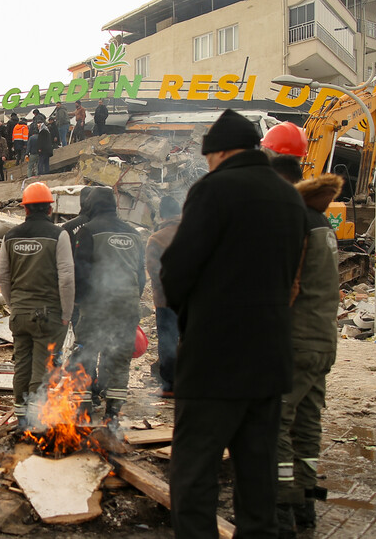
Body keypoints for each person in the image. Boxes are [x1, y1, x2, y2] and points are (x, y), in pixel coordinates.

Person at [161, 109, 306, 538]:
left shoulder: (214, 190)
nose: (207, 165)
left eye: (208, 158)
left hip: (214, 362)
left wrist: (193, 320)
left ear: (220, 152)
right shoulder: (289, 198)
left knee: (194, 474)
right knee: (257, 480)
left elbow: (176, 269)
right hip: (270, 361)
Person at [276, 172, 344, 535]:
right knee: (307, 425)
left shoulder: (294, 220)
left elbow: (288, 284)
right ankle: (305, 508)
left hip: (295, 341)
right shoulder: (321, 222)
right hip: (322, 341)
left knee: (275, 423)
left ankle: (281, 509)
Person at [0, 182, 75, 429]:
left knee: (22, 366)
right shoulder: (58, 235)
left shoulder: (10, 236)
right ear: (50, 209)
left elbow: (2, 275)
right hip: (48, 315)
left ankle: (21, 417)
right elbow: (67, 277)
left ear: (26, 210)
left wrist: (14, 304)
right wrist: (67, 312)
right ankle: (35, 422)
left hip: (20, 314)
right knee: (42, 368)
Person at [69, 187, 145, 425]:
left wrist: (79, 300)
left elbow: (81, 270)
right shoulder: (134, 233)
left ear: (91, 205)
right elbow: (141, 275)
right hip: (127, 305)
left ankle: (84, 409)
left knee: (86, 354)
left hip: (97, 305)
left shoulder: (89, 230)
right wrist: (131, 298)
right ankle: (113, 413)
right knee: (119, 358)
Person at [144, 196, 182, 399]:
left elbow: (154, 271)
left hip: (166, 300)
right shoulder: (192, 233)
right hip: (191, 299)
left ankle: (169, 385)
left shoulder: (156, 238)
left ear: (161, 214)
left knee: (168, 341)